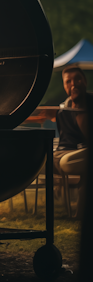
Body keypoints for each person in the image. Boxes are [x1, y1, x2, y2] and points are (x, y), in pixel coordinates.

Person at [55, 66, 89, 219]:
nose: (73, 84)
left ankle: (79, 214)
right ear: (64, 85)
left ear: (85, 82)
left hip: (83, 152)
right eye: (68, 81)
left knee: (67, 161)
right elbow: (65, 140)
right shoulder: (63, 110)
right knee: (52, 157)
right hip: (68, 153)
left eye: (77, 79)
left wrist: (80, 109)